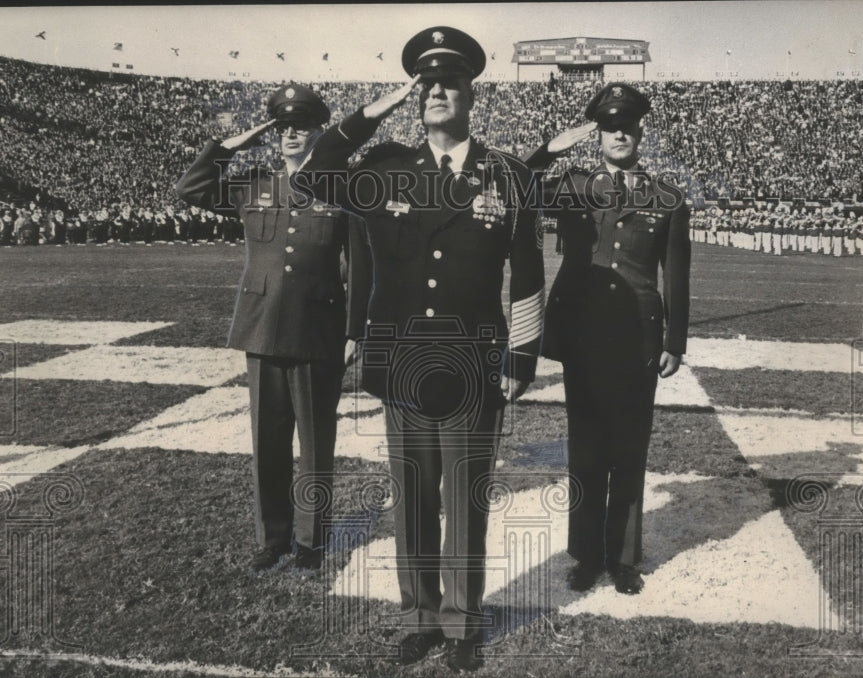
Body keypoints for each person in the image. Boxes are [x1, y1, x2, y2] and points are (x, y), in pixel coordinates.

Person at [297, 26, 544, 672]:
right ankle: (419, 617)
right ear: (414, 96)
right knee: (412, 497)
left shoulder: (508, 174)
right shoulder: (384, 171)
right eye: (426, 85)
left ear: (470, 95)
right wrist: (369, 112)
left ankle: (461, 623)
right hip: (403, 360)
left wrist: (521, 358)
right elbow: (314, 173)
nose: (437, 92)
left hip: (472, 360)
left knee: (464, 497)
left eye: (450, 84)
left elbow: (528, 270)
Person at [176, 83, 351, 575]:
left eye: (301, 125)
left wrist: (356, 329)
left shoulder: (340, 188)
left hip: (319, 331)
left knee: (317, 445)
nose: (291, 133)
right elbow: (190, 189)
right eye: (282, 126)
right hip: (262, 331)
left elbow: (359, 264)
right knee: (267, 444)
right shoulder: (255, 184)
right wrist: (232, 145)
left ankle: (311, 542)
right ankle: (271, 539)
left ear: (320, 132)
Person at [524, 82, 691, 596]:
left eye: (628, 125)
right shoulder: (574, 186)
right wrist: (549, 150)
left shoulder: (667, 198)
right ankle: (586, 554)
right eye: (610, 126)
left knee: (629, 448)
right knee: (587, 449)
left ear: (640, 130)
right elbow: (518, 189)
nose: (620, 133)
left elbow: (676, 276)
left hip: (639, 340)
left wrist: (675, 342)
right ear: (597, 134)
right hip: (584, 338)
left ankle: (623, 558)